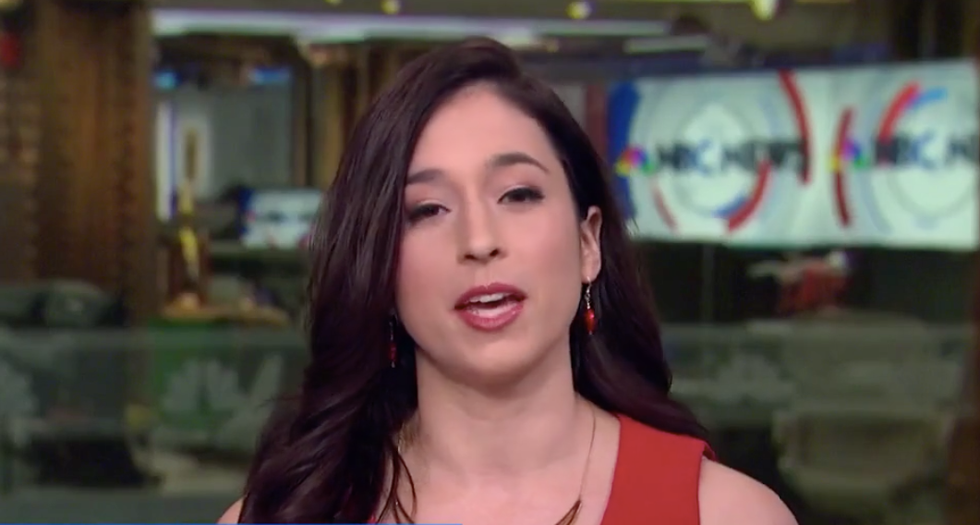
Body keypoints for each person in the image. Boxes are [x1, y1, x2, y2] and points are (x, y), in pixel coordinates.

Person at [220, 38, 797, 525]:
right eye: (427, 210)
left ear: (588, 243)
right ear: (381, 268)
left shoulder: (726, 514)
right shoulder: (291, 513)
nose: (479, 240)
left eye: (518, 195)